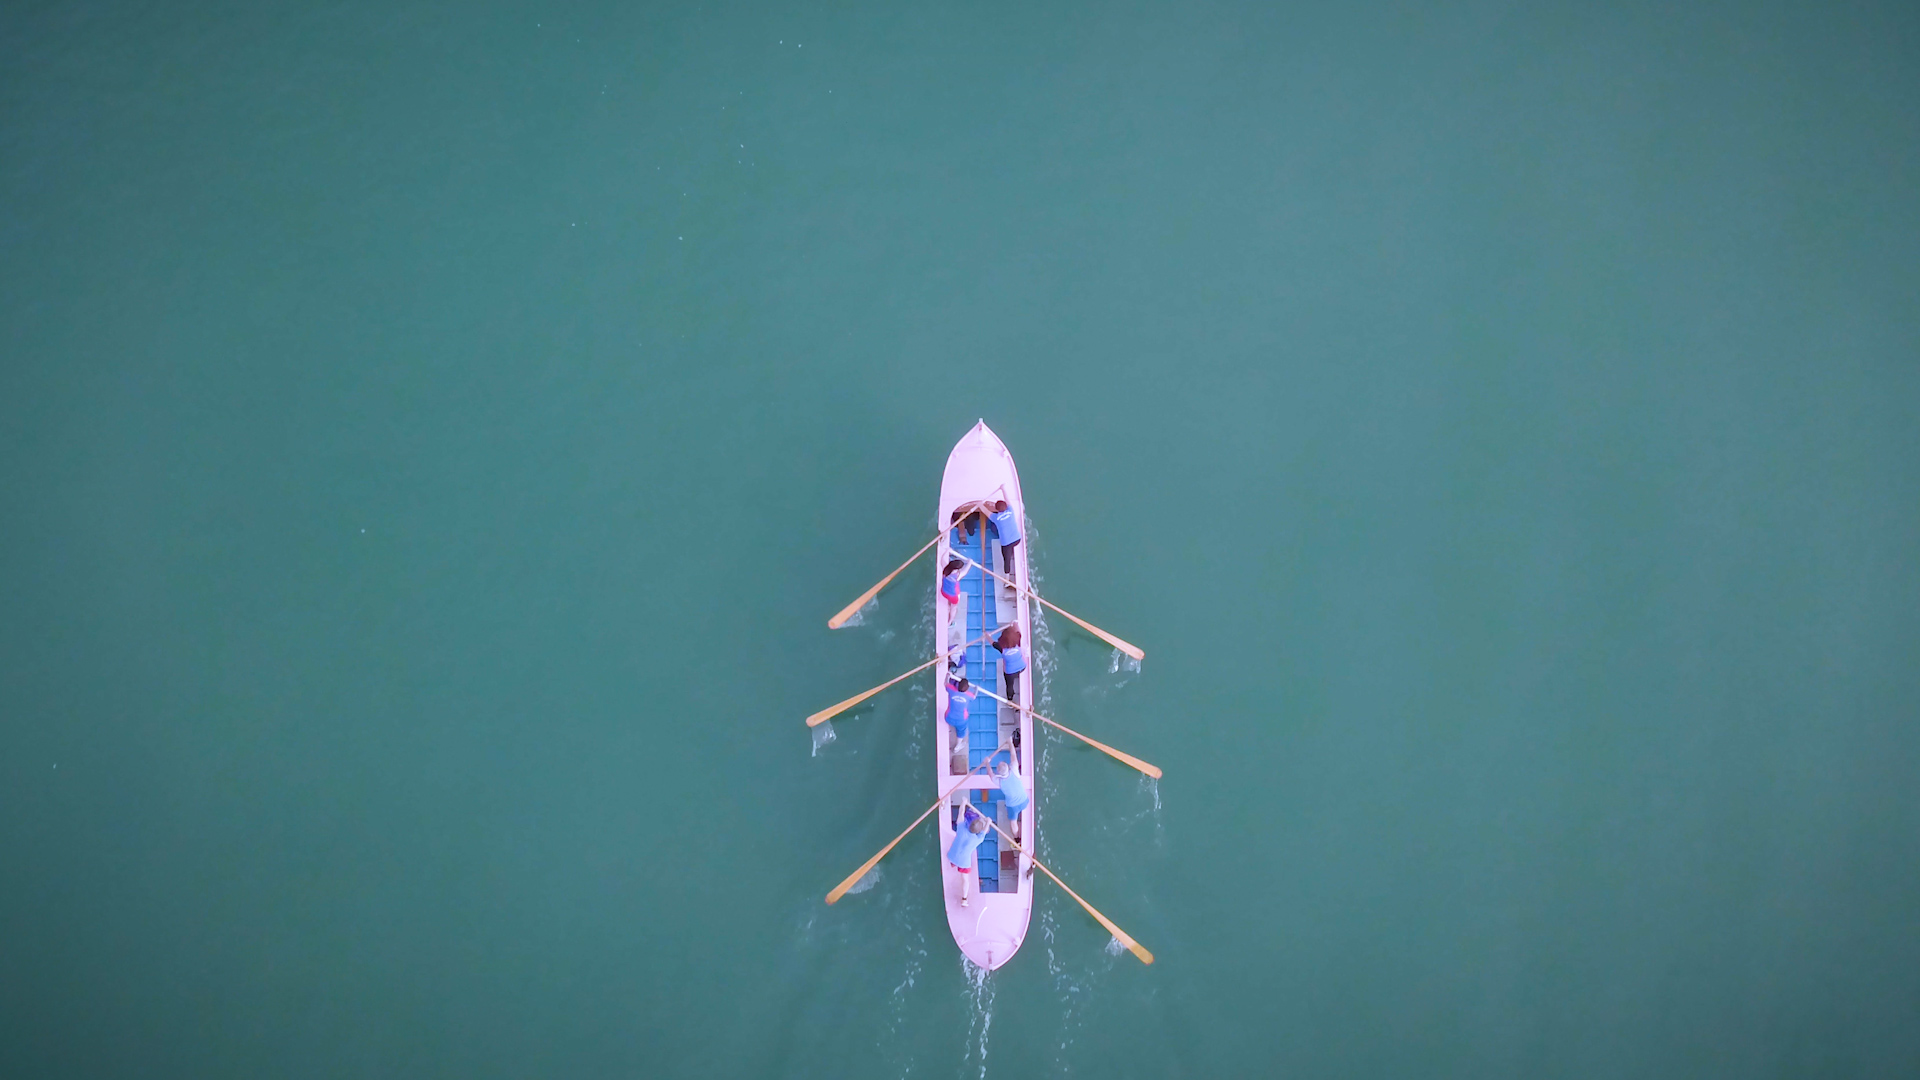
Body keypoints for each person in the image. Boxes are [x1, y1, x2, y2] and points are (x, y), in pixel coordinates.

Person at [948, 805, 989, 906]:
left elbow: (961, 812)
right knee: (965, 879)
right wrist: (988, 822)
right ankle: (964, 899)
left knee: (955, 854)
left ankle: (953, 864)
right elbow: (984, 831)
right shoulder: (978, 839)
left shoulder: (961, 827)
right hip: (963, 862)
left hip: (952, 856)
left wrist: (964, 802)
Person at [996, 761, 1029, 841]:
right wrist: (1011, 747)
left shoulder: (999, 781)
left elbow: (990, 774)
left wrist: (987, 763)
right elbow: (1013, 755)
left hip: (1013, 807)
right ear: (1008, 767)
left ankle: (1017, 838)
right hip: (1025, 801)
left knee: (1013, 822)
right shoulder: (1014, 770)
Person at [994, 625, 1026, 705]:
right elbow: (1019, 631)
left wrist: (987, 635)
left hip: (1010, 673)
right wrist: (1015, 623)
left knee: (1009, 686)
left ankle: (1010, 700)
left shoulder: (1001, 648)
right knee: (1015, 671)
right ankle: (1017, 675)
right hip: (1022, 667)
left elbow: (993, 643)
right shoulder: (1018, 642)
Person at [988, 500, 1022, 574]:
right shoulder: (1011, 510)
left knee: (1006, 560)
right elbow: (1008, 499)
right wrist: (1003, 488)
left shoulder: (996, 517)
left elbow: (985, 511)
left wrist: (979, 505)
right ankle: (1011, 552)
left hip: (1006, 544)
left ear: (996, 509)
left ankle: (1007, 579)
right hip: (1017, 539)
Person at [944, 676, 976, 754]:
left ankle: (952, 726)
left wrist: (947, 676)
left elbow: (945, 683)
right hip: (961, 721)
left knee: (954, 720)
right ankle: (958, 746)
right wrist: (976, 689)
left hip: (948, 717)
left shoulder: (951, 689)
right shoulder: (969, 695)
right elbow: (974, 696)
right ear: (967, 688)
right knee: (961, 731)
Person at [939, 558, 966, 637]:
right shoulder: (957, 575)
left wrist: (947, 550)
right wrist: (970, 563)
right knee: (954, 608)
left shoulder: (945, 569)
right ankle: (950, 622)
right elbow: (965, 571)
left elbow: (942, 559)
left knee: (950, 600)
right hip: (953, 596)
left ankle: (948, 605)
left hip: (944, 592)